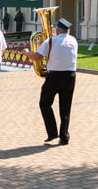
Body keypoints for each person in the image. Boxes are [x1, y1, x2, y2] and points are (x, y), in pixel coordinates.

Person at [27, 17, 78, 145]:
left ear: (58, 29)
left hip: (54, 76)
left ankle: (52, 132)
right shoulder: (73, 40)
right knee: (65, 107)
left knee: (44, 103)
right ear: (68, 30)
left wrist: (27, 53)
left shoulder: (51, 41)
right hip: (70, 75)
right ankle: (64, 136)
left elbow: (37, 57)